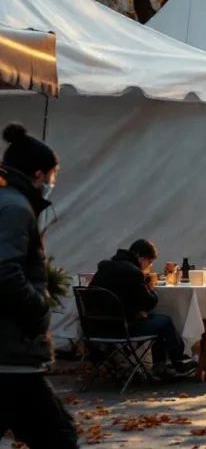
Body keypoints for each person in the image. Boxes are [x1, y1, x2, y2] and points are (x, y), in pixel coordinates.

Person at [0, 123, 78, 448]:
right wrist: (37, 307)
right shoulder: (16, 208)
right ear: (36, 174)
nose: (51, 183)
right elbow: (4, 271)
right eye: (51, 175)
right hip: (12, 350)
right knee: (58, 436)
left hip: (9, 350)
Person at [89, 239, 196, 376]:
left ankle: (161, 366)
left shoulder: (105, 268)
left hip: (96, 328)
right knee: (164, 321)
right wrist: (149, 287)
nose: (149, 266)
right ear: (141, 257)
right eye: (149, 262)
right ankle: (179, 360)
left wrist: (134, 311)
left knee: (157, 323)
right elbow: (149, 302)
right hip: (122, 329)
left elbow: (112, 297)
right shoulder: (133, 272)